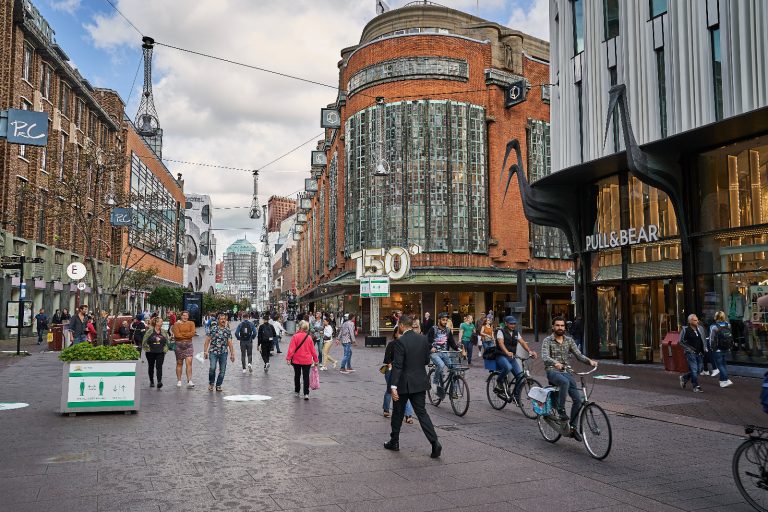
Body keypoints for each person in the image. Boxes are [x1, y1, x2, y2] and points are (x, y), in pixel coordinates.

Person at [385, 314, 442, 458]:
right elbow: (425, 360)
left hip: (403, 383)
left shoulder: (400, 341)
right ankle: (435, 443)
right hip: (419, 382)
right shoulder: (423, 339)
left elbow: (397, 366)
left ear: (402, 325)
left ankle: (394, 441)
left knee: (397, 413)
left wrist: (393, 386)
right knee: (422, 413)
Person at [541, 316, 597, 441]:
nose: (560, 328)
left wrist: (590, 361)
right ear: (553, 327)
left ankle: (572, 428)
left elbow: (578, 355)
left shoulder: (569, 340)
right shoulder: (547, 340)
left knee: (578, 400)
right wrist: (555, 363)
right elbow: (545, 356)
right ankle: (561, 410)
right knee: (564, 382)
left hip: (567, 371)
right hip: (553, 371)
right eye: (557, 325)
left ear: (565, 327)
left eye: (562, 325)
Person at [494, 316, 537, 401]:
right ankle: (499, 382)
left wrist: (530, 351)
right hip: (501, 355)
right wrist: (506, 352)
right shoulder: (501, 331)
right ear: (506, 323)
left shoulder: (516, 332)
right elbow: (501, 343)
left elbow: (522, 342)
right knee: (508, 367)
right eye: (511, 323)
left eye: (514, 324)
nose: (513, 325)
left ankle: (516, 396)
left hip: (511, 357)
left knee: (520, 377)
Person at [383, 327, 414, 423]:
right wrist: (390, 365)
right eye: (399, 333)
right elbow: (387, 358)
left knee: (405, 392)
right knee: (390, 390)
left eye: (402, 333)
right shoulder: (392, 344)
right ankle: (386, 409)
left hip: (403, 371)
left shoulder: (407, 344)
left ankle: (408, 415)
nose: (401, 335)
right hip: (392, 370)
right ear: (395, 334)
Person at [427, 312, 459, 397]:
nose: (445, 322)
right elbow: (427, 341)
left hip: (444, 353)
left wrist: (458, 349)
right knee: (441, 365)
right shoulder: (433, 329)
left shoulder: (448, 330)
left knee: (454, 368)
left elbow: (452, 342)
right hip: (434, 353)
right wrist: (431, 347)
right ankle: (435, 382)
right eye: (443, 320)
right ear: (439, 320)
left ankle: (454, 391)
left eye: (446, 320)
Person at [285, 320, 319, 399]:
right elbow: (313, 350)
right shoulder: (309, 337)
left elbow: (291, 349)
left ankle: (297, 391)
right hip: (307, 360)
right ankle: (306, 393)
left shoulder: (295, 336)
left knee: (297, 375)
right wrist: (316, 360)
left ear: (299, 327)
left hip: (296, 360)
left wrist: (288, 358)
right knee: (306, 376)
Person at [204, 313, 235, 392]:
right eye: (221, 319)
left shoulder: (227, 330)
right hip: (213, 351)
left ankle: (218, 385)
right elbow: (207, 340)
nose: (223, 320)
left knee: (222, 370)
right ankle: (211, 383)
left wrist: (232, 354)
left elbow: (230, 342)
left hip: (223, 352)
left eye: (224, 319)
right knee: (212, 368)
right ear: (218, 320)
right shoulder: (213, 329)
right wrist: (205, 351)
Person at [679, 313, 708, 393]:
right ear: (690, 321)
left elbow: (703, 339)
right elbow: (680, 342)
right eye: (695, 320)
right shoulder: (685, 330)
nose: (697, 321)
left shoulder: (700, 328)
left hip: (700, 353)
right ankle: (696, 386)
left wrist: (705, 348)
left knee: (699, 369)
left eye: (697, 320)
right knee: (694, 369)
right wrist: (689, 349)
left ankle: (685, 377)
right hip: (690, 353)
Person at [171, 310, 196, 389]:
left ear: (188, 316)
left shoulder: (191, 323)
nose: (185, 317)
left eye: (186, 315)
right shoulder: (176, 324)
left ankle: (189, 381)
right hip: (179, 345)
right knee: (179, 363)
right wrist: (187, 335)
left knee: (189, 362)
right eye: (183, 315)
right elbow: (177, 335)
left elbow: (192, 333)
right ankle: (179, 380)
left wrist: (183, 335)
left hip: (189, 345)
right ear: (181, 316)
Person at [142, 316, 169, 388]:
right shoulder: (150, 331)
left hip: (160, 352)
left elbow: (167, 341)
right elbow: (144, 341)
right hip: (150, 352)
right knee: (151, 366)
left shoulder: (163, 331)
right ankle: (151, 381)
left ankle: (159, 381)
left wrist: (165, 349)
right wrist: (148, 349)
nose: (162, 323)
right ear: (156, 323)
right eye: (161, 321)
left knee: (159, 366)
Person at [709, 310, 734, 388]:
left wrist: (711, 348)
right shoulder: (728, 325)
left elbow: (711, 339)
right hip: (726, 348)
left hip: (718, 349)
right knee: (723, 364)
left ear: (716, 317)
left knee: (720, 365)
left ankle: (726, 379)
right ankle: (722, 381)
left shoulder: (713, 326)